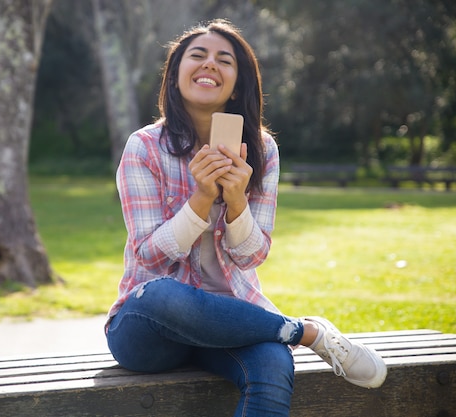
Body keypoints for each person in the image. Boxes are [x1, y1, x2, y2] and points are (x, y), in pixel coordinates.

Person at [105, 19, 387, 417]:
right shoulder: (144, 147)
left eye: (225, 60)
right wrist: (202, 199)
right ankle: (307, 332)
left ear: (236, 84)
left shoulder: (263, 149)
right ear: (175, 75)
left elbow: (252, 257)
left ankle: (286, 335)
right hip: (149, 327)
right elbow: (150, 257)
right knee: (165, 293)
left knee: (273, 364)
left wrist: (236, 201)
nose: (210, 65)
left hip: (232, 319)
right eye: (197, 56)